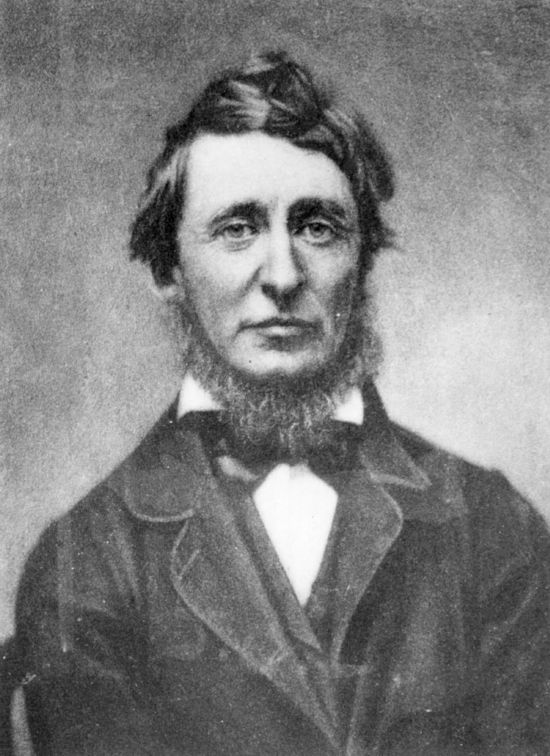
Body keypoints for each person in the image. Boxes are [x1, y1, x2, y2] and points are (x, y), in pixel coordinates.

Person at [15, 50, 550, 755]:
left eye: (317, 227)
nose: (283, 275)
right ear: (168, 270)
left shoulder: (494, 529)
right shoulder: (84, 561)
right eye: (237, 228)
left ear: (363, 262)